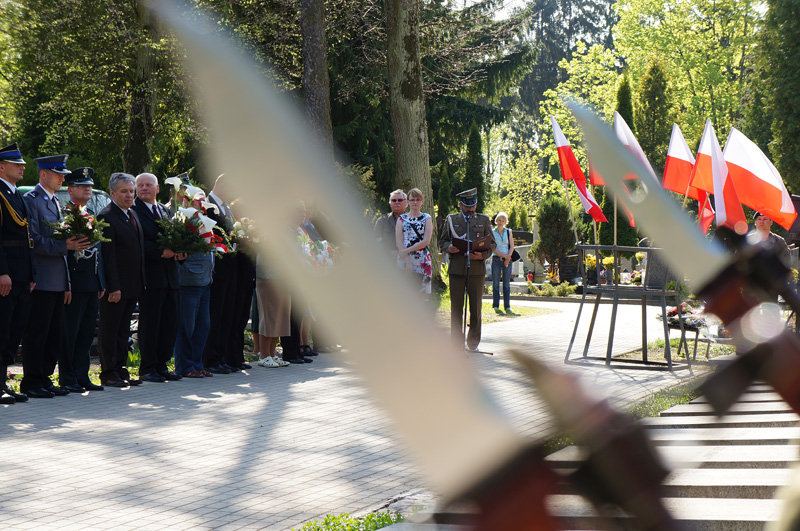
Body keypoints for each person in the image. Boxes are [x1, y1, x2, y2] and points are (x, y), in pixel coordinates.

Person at [21, 154, 92, 398]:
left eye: (63, 173)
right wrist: (66, 247)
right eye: (58, 173)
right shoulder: (31, 200)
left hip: (58, 280)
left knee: (54, 334)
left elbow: (62, 242)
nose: (63, 177)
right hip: (41, 278)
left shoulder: (54, 201)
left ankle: (45, 378)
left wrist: (67, 282)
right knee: (37, 333)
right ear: (43, 174)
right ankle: (31, 381)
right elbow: (34, 240)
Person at [133, 172, 183, 382]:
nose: (144, 189)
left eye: (148, 185)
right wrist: (161, 252)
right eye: (140, 186)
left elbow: (177, 235)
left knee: (169, 323)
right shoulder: (134, 211)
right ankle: (148, 367)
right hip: (150, 277)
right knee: (151, 324)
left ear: (157, 189)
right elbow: (138, 241)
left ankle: (162, 364)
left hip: (170, 276)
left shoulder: (164, 210)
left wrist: (182, 250)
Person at [60, 168, 105, 393]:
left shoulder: (90, 213)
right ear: (70, 190)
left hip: (90, 282)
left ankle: (82, 375)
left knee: (87, 331)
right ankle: (68, 377)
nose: (88, 189)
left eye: (89, 185)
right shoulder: (65, 214)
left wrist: (100, 281)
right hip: (73, 282)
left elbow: (98, 252)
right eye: (82, 186)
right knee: (70, 331)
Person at [98, 173, 145, 387]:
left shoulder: (131, 214)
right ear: (112, 193)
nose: (129, 195)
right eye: (124, 191)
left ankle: (120, 368)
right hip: (116, 287)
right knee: (111, 329)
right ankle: (108, 372)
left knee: (123, 330)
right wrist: (113, 287)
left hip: (132, 285)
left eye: (131, 191)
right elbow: (109, 256)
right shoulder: (107, 216)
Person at [440, 187, 494, 351]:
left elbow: (492, 244)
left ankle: (473, 343)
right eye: (467, 206)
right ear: (460, 205)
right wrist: (449, 247)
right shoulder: (451, 219)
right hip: (456, 269)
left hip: (477, 270)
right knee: (456, 308)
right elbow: (442, 241)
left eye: (472, 206)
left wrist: (482, 256)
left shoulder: (483, 220)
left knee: (475, 308)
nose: (470, 209)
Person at [0, 143, 33, 404]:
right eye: (16, 164)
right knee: (2, 328)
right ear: (2, 167)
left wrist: (30, 272)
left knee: (13, 329)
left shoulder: (15, 194)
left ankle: (3, 382)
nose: (22, 168)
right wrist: (3, 272)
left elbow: (26, 236)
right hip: (7, 273)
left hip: (21, 272)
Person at [203, 175, 242, 373]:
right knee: (215, 314)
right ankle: (212, 358)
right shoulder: (208, 205)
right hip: (217, 268)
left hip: (231, 266)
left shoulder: (227, 208)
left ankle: (223, 356)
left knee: (227, 313)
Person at [174, 189, 215, 378]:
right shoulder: (181, 218)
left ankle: (197, 364)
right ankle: (185, 366)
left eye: (203, 199)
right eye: (198, 200)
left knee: (203, 326)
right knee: (186, 326)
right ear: (186, 200)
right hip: (189, 281)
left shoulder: (203, 219)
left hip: (205, 280)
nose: (201, 203)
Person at [254, 252, 291, 367]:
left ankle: (271, 353)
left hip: (282, 277)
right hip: (267, 276)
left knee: (280, 316)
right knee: (269, 315)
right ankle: (264, 356)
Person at [395, 187, 432, 296]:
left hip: (422, 259)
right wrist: (407, 260)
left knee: (421, 295)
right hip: (404, 258)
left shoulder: (427, 218)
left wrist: (407, 250)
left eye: (418, 199)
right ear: (407, 202)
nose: (415, 202)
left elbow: (426, 241)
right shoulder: (401, 219)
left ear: (422, 202)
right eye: (412, 200)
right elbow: (399, 241)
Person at [491, 212, 514, 314]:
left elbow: (512, 246)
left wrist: (508, 258)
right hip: (496, 259)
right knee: (496, 283)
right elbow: (493, 248)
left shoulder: (508, 231)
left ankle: (507, 306)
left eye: (503, 220)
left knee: (506, 284)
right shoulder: (492, 232)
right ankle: (496, 305)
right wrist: (505, 256)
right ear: (496, 221)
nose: (501, 222)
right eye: (499, 220)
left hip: (508, 260)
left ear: (505, 222)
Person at [374, 189, 407, 255]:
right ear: (390, 204)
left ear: (406, 203)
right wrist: (388, 252)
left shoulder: (413, 221)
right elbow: (376, 241)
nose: (397, 202)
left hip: (409, 260)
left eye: (400, 200)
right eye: (394, 200)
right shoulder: (382, 221)